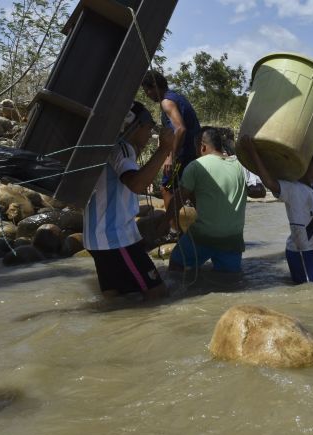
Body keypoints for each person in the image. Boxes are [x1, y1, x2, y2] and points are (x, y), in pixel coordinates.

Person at [83, 101, 174, 300]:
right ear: (135, 126)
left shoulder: (110, 146)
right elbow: (136, 184)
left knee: (116, 299)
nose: (150, 135)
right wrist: (164, 149)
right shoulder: (122, 148)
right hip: (115, 237)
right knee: (158, 294)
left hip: (97, 236)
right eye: (149, 128)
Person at [237, 120, 313, 284]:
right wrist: (253, 153)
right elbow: (269, 183)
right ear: (304, 162)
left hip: (312, 247)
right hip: (300, 251)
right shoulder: (292, 188)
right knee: (310, 289)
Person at [161, 127, 260, 273]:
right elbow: (258, 192)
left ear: (202, 146)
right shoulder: (240, 165)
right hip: (233, 239)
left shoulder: (196, 166)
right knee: (229, 280)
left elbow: (178, 199)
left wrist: (164, 223)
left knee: (176, 265)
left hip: (203, 236)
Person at [141, 70, 201, 212]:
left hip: (181, 157)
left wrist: (171, 157)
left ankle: (173, 229)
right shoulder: (176, 97)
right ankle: (205, 222)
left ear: (154, 87)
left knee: (166, 188)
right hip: (193, 153)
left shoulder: (167, 102)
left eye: (147, 90)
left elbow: (180, 129)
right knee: (190, 189)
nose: (147, 94)